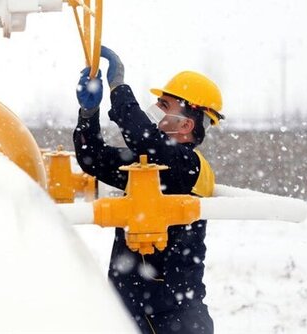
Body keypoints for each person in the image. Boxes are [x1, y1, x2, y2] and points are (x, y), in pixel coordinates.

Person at [73, 46, 224, 334]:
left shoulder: (191, 167)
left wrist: (118, 88)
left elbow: (143, 137)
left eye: (164, 106)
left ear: (186, 124)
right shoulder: (148, 168)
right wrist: (88, 113)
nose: (154, 110)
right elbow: (92, 156)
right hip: (131, 313)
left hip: (176, 320)